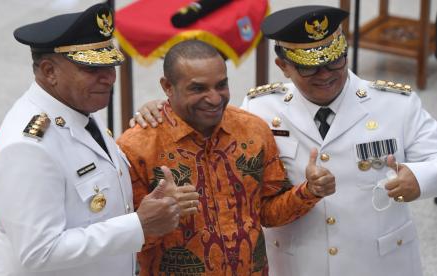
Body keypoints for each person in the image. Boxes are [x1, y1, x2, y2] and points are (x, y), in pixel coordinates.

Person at [129, 5, 437, 276]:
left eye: (334, 62)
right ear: (283, 66)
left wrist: (419, 178)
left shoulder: (396, 103)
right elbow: (206, 114)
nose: (325, 74)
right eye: (309, 66)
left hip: (378, 262)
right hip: (298, 262)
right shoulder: (262, 108)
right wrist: (162, 108)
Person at [0, 3, 199, 276]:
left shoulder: (75, 108)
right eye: (91, 69)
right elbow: (39, 252)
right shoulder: (26, 147)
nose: (108, 78)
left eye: (110, 66)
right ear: (50, 71)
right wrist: (139, 224)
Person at [117, 40, 336, 275]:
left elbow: (268, 214)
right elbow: (120, 243)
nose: (214, 98)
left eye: (221, 85)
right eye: (198, 89)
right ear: (167, 87)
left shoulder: (253, 131)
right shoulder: (136, 148)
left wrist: (309, 192)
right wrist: (158, 216)